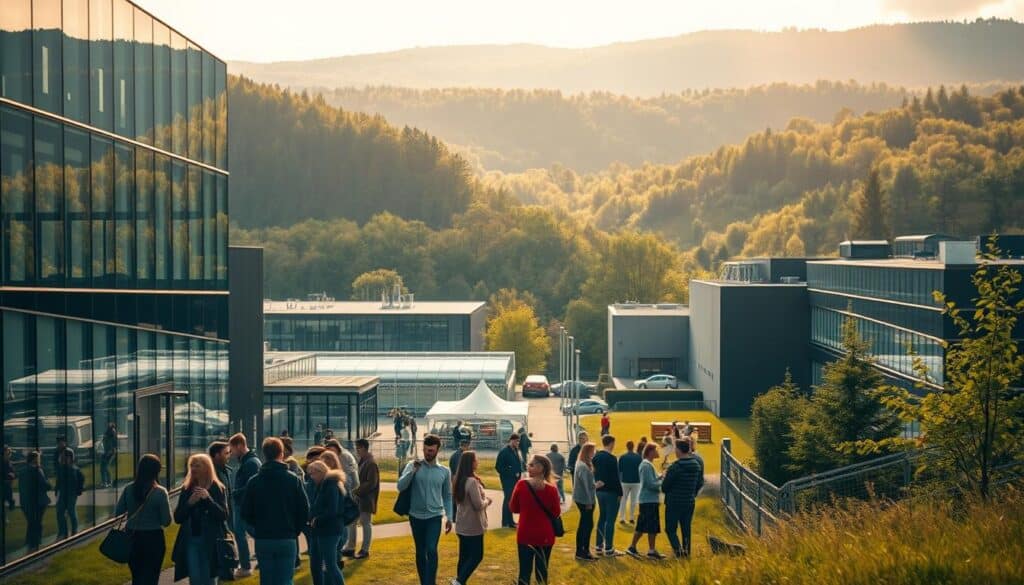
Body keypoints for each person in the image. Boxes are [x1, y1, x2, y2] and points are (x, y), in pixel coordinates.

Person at [241, 437, 310, 585]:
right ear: (281, 454)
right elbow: (304, 510)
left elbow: (246, 512)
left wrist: (256, 531)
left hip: (264, 538)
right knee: (285, 580)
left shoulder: (254, 481)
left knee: (267, 580)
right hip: (286, 537)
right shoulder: (293, 480)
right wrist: (295, 530)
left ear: (264, 455)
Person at [397, 434, 454, 585]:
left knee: (431, 549)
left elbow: (448, 496)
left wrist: (449, 517)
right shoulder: (413, 465)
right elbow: (400, 486)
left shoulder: (444, 471)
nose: (427, 453)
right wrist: (412, 472)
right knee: (420, 551)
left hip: (434, 516)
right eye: (426, 450)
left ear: (437, 450)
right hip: (415, 516)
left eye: (431, 450)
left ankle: (431, 582)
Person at [172, 453, 229, 585]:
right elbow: (178, 518)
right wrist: (189, 503)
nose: (193, 469)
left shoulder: (217, 487)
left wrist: (208, 499)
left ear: (207, 468)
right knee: (195, 579)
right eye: (191, 465)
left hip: (211, 541)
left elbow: (223, 515)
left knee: (209, 579)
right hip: (192, 540)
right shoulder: (186, 488)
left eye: (197, 465)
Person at [115, 454, 171, 585]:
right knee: (151, 577)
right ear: (156, 471)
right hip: (153, 538)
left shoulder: (129, 489)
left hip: (132, 537)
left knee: (137, 576)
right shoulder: (160, 493)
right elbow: (166, 521)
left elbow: (118, 512)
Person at [509, 454, 562, 585]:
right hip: (545, 534)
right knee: (542, 573)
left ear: (540, 468)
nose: (528, 467)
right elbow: (556, 512)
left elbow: (513, 508)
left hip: (526, 533)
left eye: (531, 465)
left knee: (524, 573)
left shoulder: (522, 485)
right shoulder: (551, 489)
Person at [451, 451, 491, 585]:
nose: (477, 462)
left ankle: (459, 581)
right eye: (476, 460)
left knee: (464, 556)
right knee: (477, 556)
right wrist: (488, 501)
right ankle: (459, 581)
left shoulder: (458, 479)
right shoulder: (472, 482)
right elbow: (478, 505)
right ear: (470, 463)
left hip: (462, 524)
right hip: (473, 525)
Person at [306, 460, 347, 585]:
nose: (311, 477)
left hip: (330, 531)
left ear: (321, 472)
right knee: (319, 564)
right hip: (322, 530)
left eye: (313, 474)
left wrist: (317, 519)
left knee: (330, 565)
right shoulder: (323, 485)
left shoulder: (331, 485)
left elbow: (332, 510)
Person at [662, 439, 704, 558]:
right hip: (689, 501)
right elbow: (699, 482)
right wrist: (692, 493)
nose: (675, 451)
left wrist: (665, 476)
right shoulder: (696, 465)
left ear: (679, 450)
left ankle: (679, 553)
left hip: (674, 502)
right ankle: (687, 552)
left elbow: (664, 487)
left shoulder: (675, 467)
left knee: (670, 529)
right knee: (686, 529)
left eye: (675, 448)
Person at [229, 433, 262, 578]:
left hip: (242, 505)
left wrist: (234, 493)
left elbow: (252, 486)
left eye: (232, 449)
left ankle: (245, 566)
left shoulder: (250, 463)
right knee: (248, 533)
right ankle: (249, 563)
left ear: (240, 445)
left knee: (242, 534)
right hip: (243, 504)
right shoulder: (250, 461)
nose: (231, 453)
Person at [627, 443, 667, 560]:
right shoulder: (646, 465)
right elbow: (649, 484)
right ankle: (642, 549)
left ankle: (643, 549)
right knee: (648, 525)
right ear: (650, 451)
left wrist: (660, 476)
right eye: (656, 450)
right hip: (648, 500)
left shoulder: (648, 465)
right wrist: (663, 484)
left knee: (647, 525)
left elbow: (651, 480)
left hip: (649, 500)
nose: (658, 452)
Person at [325, 439, 360, 558]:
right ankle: (348, 546)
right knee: (349, 522)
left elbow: (349, 477)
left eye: (331, 450)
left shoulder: (343, 457)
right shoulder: (344, 455)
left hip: (346, 492)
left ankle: (348, 546)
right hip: (347, 491)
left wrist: (346, 491)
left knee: (348, 522)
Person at [592, 434, 624, 556]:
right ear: (611, 443)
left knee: (602, 518)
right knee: (610, 520)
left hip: (600, 491)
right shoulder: (612, 458)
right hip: (611, 491)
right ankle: (609, 548)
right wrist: (620, 492)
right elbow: (616, 477)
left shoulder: (596, 457)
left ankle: (599, 546)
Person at [351, 438, 379, 560]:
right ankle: (352, 547)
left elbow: (371, 483)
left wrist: (357, 491)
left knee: (366, 523)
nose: (357, 451)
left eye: (358, 448)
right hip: (361, 498)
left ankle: (365, 549)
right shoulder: (363, 461)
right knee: (356, 522)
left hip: (366, 498)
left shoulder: (371, 462)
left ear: (363, 448)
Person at [18, 451, 51, 552]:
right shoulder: (37, 470)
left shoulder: (22, 471)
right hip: (39, 501)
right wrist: (49, 485)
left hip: (26, 501)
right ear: (35, 459)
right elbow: (44, 485)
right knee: (37, 522)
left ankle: (30, 540)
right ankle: (35, 541)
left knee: (32, 521)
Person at [572, 443, 598, 561]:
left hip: (584, 498)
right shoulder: (582, 466)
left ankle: (583, 550)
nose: (594, 453)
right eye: (593, 451)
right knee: (586, 525)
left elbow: (587, 484)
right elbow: (586, 486)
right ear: (587, 452)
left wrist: (595, 485)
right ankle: (583, 551)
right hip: (585, 499)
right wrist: (589, 502)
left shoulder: (582, 464)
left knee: (586, 524)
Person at [54, 447, 84, 538]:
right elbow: (58, 480)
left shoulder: (75, 470)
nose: (65, 459)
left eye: (67, 457)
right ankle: (63, 531)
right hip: (63, 493)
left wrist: (78, 490)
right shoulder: (61, 468)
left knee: (71, 511)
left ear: (71, 458)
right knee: (60, 512)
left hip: (71, 493)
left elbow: (80, 480)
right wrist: (56, 490)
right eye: (64, 457)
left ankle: (74, 530)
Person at [495, 434, 524, 528]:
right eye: (515, 441)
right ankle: (505, 522)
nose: (517, 443)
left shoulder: (515, 451)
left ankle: (510, 521)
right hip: (507, 480)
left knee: (511, 500)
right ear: (511, 440)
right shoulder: (504, 451)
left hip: (515, 479)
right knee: (508, 499)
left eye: (518, 441)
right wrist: (512, 472)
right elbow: (498, 467)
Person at [618, 441, 642, 524]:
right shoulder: (638, 457)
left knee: (623, 500)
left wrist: (620, 481)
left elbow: (619, 471)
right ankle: (631, 517)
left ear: (627, 446)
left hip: (625, 481)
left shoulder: (622, 457)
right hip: (636, 481)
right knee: (633, 500)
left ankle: (622, 517)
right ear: (633, 446)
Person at [208, 441, 233, 518]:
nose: (229, 456)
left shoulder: (227, 471)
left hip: (226, 515)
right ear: (217, 455)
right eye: (226, 453)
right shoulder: (209, 473)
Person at [448, 439, 471, 519]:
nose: (469, 448)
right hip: (458, 479)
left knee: (455, 497)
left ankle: (454, 515)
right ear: (465, 446)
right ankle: (454, 516)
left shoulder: (455, 454)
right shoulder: (460, 456)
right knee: (457, 498)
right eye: (468, 446)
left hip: (455, 478)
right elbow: (458, 469)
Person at [100, 423, 117, 487]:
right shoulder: (109, 432)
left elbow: (111, 444)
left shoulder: (111, 431)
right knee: (104, 468)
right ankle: (107, 481)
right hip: (107, 452)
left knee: (104, 468)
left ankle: (106, 482)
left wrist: (108, 453)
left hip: (109, 452)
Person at [2, 446, 14, 511]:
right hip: (4, 483)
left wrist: (12, 475)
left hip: (7, 484)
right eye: (8, 452)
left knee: (10, 500)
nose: (10, 453)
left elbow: (12, 471)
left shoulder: (8, 461)